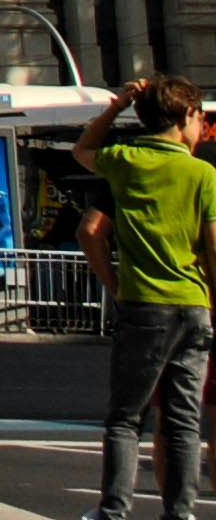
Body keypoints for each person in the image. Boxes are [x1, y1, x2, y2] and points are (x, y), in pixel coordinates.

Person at [74, 75, 216, 520]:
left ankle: (114, 510)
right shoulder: (203, 173)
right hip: (194, 306)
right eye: (200, 119)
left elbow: (82, 151)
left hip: (143, 304)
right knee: (184, 421)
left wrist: (116, 107)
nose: (201, 129)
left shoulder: (125, 160)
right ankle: (182, 512)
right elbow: (214, 247)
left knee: (126, 417)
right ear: (185, 117)